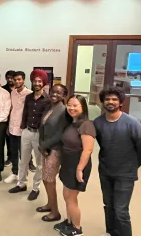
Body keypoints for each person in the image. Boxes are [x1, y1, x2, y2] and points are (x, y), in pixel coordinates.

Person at [94, 87, 141, 236]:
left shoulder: (132, 123)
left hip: (125, 173)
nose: (110, 102)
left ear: (121, 102)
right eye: (107, 99)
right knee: (108, 205)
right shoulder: (98, 122)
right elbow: (101, 143)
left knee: (121, 210)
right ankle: (112, 232)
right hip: (105, 171)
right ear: (102, 102)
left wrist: (133, 166)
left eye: (114, 99)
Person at [54, 95, 96, 236]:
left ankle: (77, 228)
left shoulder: (86, 125)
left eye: (75, 105)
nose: (71, 108)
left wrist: (79, 169)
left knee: (71, 197)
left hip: (78, 164)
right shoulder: (72, 122)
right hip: (68, 162)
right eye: (69, 105)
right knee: (67, 195)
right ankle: (69, 221)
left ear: (82, 107)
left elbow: (88, 150)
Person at [9, 69, 50, 201]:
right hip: (27, 131)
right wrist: (22, 128)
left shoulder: (48, 100)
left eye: (40, 81)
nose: (37, 83)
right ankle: (21, 184)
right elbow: (25, 114)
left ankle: (35, 188)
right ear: (32, 82)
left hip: (39, 134)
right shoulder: (28, 97)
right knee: (24, 160)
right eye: (35, 81)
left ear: (43, 83)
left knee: (39, 164)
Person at [36, 84, 68, 222]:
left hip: (55, 149)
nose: (54, 95)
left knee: (49, 180)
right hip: (45, 148)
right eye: (53, 92)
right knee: (45, 178)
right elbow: (42, 126)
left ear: (64, 95)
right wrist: (41, 145)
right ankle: (50, 204)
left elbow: (60, 134)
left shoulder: (64, 111)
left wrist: (44, 145)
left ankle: (55, 212)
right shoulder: (49, 107)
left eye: (58, 93)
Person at [4, 71, 33, 183]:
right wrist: (8, 126)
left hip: (23, 129)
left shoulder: (29, 94)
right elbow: (11, 109)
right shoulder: (12, 93)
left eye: (19, 79)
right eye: (15, 79)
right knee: (13, 152)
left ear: (23, 80)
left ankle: (23, 176)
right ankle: (14, 172)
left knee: (24, 154)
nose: (17, 81)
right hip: (12, 127)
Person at [2, 70, 15, 166]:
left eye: (12, 77)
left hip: (18, 118)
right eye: (8, 77)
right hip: (6, 118)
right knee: (8, 140)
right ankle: (9, 158)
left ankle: (29, 161)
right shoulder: (2, 89)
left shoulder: (21, 89)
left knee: (22, 143)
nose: (10, 79)